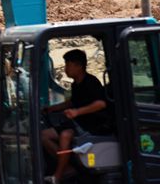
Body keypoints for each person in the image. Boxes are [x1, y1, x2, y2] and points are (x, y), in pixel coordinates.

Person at [41, 49, 111, 184]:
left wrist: (77, 112)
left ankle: (58, 175)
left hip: (93, 124)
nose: (66, 68)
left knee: (65, 135)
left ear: (78, 66)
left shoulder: (91, 82)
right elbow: (72, 102)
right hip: (78, 123)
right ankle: (67, 167)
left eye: (68, 65)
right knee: (43, 135)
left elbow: (100, 104)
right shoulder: (76, 84)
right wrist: (51, 108)